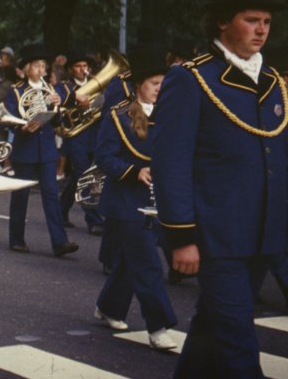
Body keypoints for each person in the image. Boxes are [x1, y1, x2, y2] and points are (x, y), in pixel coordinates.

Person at [152, 0, 288, 378]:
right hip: (215, 238)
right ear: (223, 21)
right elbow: (170, 164)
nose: (262, 30)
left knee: (212, 332)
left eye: (267, 22)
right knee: (239, 347)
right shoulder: (191, 78)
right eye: (251, 20)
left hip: (263, 235)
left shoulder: (273, 81)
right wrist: (182, 237)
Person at [94, 46, 178, 350]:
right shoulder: (118, 116)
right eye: (154, 83)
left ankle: (109, 306)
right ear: (139, 85)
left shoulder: (170, 116)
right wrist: (134, 172)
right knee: (148, 264)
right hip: (125, 200)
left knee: (131, 262)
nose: (159, 89)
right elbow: (104, 157)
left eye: (163, 84)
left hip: (158, 200)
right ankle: (158, 327)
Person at [4, 43, 78, 257]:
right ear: (28, 68)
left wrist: (56, 106)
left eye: (43, 66)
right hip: (25, 147)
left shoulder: (50, 89)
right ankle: (17, 239)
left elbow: (56, 122)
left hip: (46, 149)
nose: (41, 70)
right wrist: (23, 127)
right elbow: (8, 118)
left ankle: (60, 242)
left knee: (51, 194)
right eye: (37, 66)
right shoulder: (16, 91)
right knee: (21, 195)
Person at [57, 51, 105, 235]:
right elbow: (58, 102)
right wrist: (75, 101)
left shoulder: (96, 84)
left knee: (79, 176)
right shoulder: (65, 87)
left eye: (85, 66)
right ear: (71, 70)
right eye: (78, 66)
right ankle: (93, 220)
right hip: (76, 137)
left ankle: (61, 210)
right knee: (84, 175)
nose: (82, 69)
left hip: (93, 135)